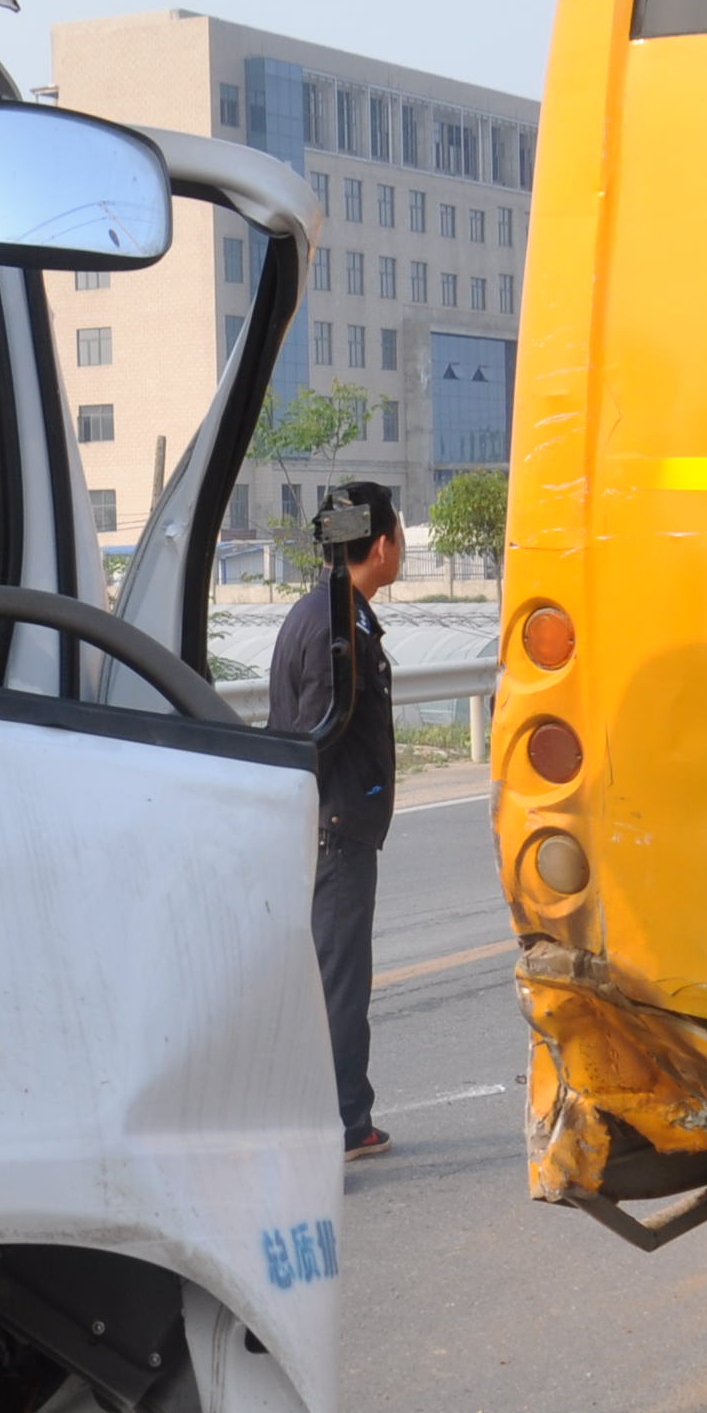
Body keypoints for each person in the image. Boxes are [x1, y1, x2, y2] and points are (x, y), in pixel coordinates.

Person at [269, 479, 403, 1160]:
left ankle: (342, 1113)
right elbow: (314, 733)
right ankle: (343, 1122)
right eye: (398, 536)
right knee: (341, 981)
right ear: (380, 546)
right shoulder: (336, 627)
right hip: (337, 830)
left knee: (333, 975)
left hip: (330, 824)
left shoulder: (324, 611)